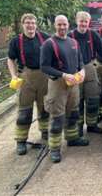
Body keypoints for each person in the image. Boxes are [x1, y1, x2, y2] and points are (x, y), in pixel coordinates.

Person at [41, 15, 89, 163]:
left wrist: (82, 71)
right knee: (57, 117)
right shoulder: (49, 44)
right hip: (58, 85)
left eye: (64, 24)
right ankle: (54, 148)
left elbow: (80, 60)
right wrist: (63, 75)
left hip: (73, 83)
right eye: (59, 25)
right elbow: (44, 66)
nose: (62, 27)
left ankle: (72, 138)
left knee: (73, 113)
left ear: (69, 25)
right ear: (55, 25)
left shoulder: (73, 42)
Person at [7, 13, 49, 155]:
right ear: (23, 24)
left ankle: (45, 132)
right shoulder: (16, 41)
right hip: (26, 78)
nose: (30, 25)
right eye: (27, 23)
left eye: (32, 22)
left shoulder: (44, 37)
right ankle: (21, 140)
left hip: (44, 77)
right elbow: (10, 59)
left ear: (36, 24)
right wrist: (13, 76)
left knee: (45, 108)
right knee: (24, 112)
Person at [68, 11, 102, 136]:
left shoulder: (93, 35)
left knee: (93, 98)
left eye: (85, 21)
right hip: (75, 69)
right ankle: (78, 127)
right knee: (77, 99)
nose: (83, 24)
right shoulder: (70, 35)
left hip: (90, 67)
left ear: (88, 22)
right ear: (76, 21)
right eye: (81, 21)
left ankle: (92, 125)